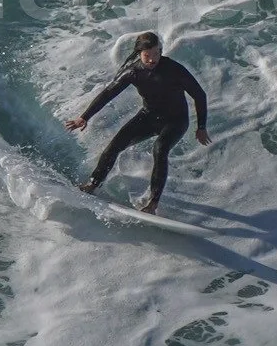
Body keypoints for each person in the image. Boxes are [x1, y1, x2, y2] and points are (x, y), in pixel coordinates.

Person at [64, 31, 210, 214]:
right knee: (114, 146)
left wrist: (201, 127)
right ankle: (93, 184)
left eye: (156, 54)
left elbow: (199, 95)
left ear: (161, 50)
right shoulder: (133, 71)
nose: (152, 59)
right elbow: (108, 93)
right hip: (148, 116)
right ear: (140, 53)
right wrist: (84, 117)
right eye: (147, 55)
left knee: (160, 149)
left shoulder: (175, 70)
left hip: (175, 120)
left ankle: (153, 204)